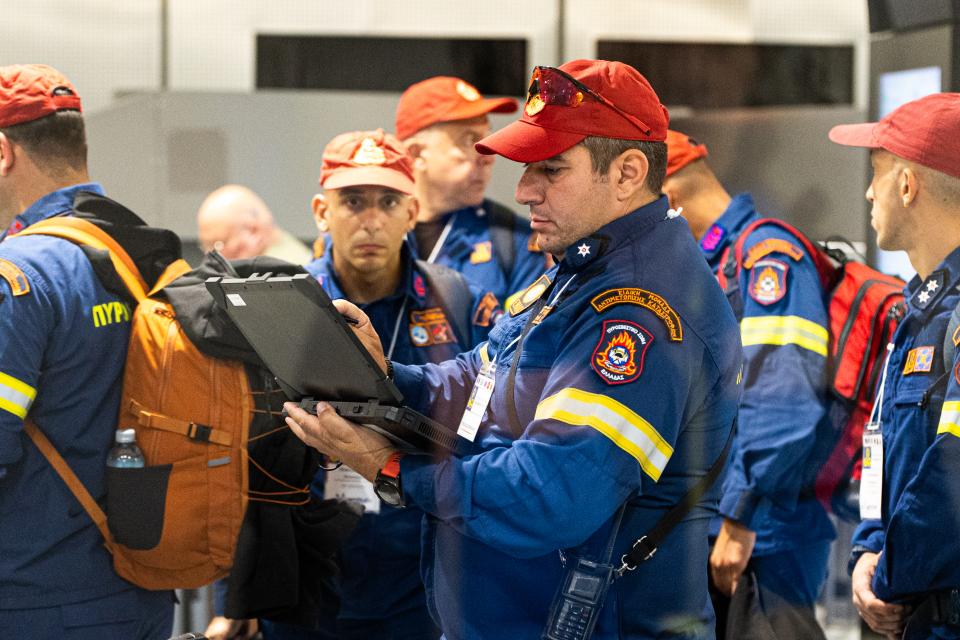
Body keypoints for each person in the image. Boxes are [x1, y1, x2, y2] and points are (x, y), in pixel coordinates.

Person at [285, 59, 742, 639]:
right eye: (528, 169)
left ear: (627, 173)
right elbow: (482, 378)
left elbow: (551, 494)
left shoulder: (641, 312)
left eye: (550, 169)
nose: (524, 190)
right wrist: (384, 375)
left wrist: (388, 467)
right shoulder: (581, 270)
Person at [211, 129, 500, 640]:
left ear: (412, 214)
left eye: (389, 202)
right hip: (305, 586)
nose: (371, 219)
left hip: (423, 582)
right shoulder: (274, 311)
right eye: (353, 201)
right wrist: (236, 592)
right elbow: (239, 456)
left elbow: (494, 437)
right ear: (322, 212)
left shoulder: (463, 306)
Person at [0, 64, 174, 638]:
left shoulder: (21, 275)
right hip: (141, 589)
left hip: (35, 602)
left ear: (4, 153)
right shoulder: (148, 255)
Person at [662, 130, 833, 638]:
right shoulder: (714, 265)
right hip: (731, 526)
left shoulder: (765, 256)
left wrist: (739, 519)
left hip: (764, 533)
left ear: (668, 202)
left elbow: (785, 402)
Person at [829, 93, 960, 640]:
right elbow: (885, 444)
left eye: (876, 174)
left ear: (908, 185)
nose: (867, 192)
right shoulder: (919, 315)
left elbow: (952, 472)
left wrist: (885, 577)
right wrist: (868, 548)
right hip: (912, 607)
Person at [396, 75, 548, 302]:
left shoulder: (516, 240)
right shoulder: (372, 232)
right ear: (416, 154)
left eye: (486, 137)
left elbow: (524, 335)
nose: (488, 156)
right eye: (469, 140)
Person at [197, 183, 314, 264]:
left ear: (253, 231)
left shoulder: (290, 276)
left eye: (218, 244)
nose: (209, 255)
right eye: (206, 246)